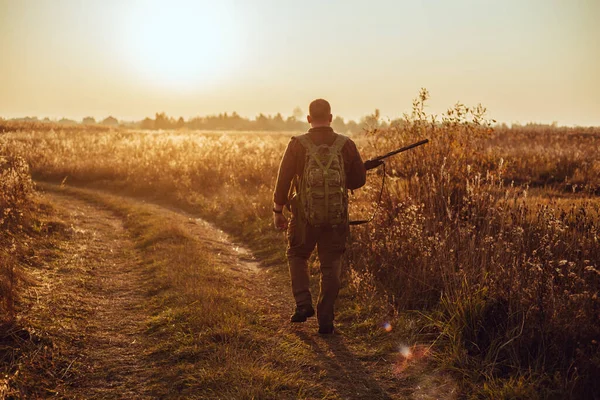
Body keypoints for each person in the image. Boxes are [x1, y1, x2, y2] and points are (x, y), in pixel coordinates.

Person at [272, 99, 380, 334]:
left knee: (297, 254)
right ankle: (326, 320)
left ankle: (303, 304)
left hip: (303, 218)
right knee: (331, 265)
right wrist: (363, 167)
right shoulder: (346, 144)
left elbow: (283, 181)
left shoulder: (297, 145)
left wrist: (278, 211)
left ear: (309, 119)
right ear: (331, 118)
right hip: (336, 218)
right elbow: (357, 181)